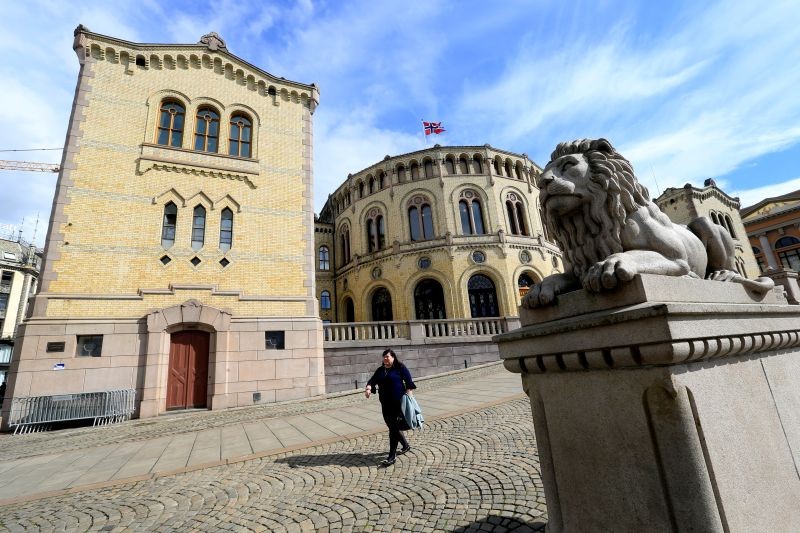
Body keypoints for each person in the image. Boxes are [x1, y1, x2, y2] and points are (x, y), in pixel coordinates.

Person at [365, 348, 416, 466]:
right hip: (385, 403)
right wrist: (368, 388)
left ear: (393, 357)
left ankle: (391, 456)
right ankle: (405, 445)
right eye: (384, 357)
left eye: (387, 356)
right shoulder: (381, 370)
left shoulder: (400, 368)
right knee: (391, 426)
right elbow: (372, 381)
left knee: (393, 428)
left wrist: (410, 398)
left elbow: (409, 382)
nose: (385, 359)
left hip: (398, 404)